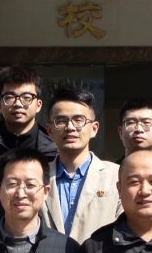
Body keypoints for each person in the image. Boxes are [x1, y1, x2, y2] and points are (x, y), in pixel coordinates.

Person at [41, 83, 121, 242]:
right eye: (61, 120)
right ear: (49, 130)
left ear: (94, 128)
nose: (70, 127)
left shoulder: (117, 175)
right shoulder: (37, 176)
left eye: (79, 120)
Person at [0, 66, 57, 180]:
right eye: (10, 97)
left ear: (38, 105)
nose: (18, 104)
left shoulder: (54, 153)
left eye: (26, 97)